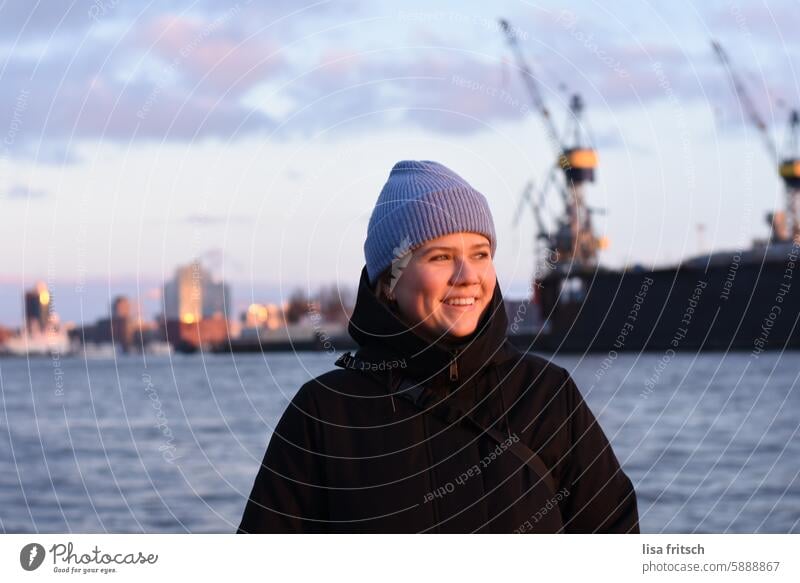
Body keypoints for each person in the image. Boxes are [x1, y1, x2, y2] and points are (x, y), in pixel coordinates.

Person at [237, 160, 639, 533]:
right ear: (389, 283)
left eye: (480, 254)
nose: (467, 276)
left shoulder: (546, 396)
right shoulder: (324, 414)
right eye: (440, 256)